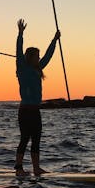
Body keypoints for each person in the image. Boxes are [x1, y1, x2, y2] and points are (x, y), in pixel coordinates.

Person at [14, 19, 60, 176]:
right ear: (30, 57)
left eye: (39, 56)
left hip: (35, 111)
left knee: (36, 139)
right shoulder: (21, 67)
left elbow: (48, 55)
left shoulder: (38, 68)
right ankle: (19, 168)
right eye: (37, 56)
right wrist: (20, 34)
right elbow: (18, 51)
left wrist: (54, 40)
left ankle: (36, 168)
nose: (39, 58)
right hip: (25, 111)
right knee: (25, 138)